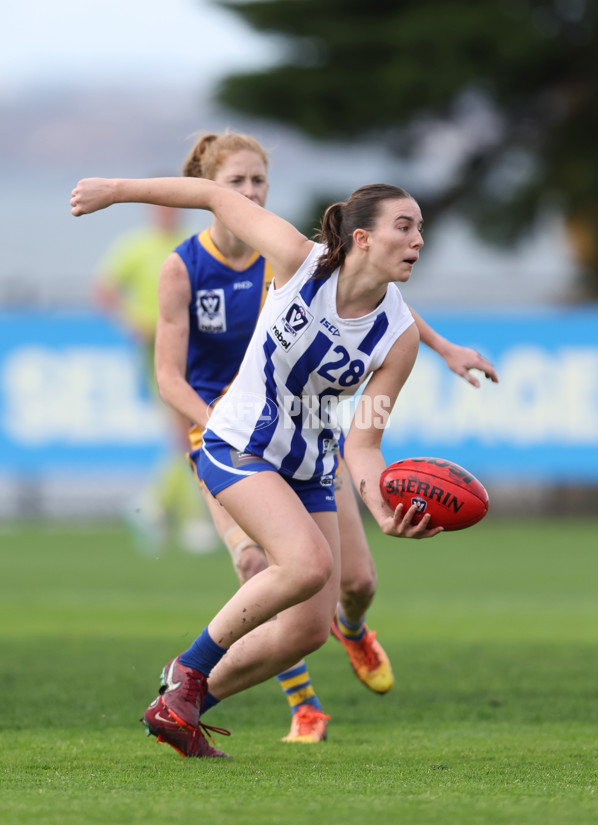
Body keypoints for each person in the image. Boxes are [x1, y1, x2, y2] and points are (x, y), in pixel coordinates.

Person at [70, 171, 490, 761]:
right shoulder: (300, 260)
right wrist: (116, 190)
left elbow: (364, 446)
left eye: (420, 228)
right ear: (361, 239)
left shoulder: (399, 338)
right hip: (237, 444)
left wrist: (382, 509)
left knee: (306, 631)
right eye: (405, 226)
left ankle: (181, 709)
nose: (419, 239)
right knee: (307, 563)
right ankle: (185, 672)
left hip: (311, 468)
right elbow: (216, 196)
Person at [93, 200, 216, 554]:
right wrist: (133, 321)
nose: (167, 213)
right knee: (187, 433)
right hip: (157, 351)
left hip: (195, 348)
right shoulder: (135, 246)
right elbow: (104, 291)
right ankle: (177, 512)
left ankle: (162, 508)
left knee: (190, 434)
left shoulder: (192, 244)